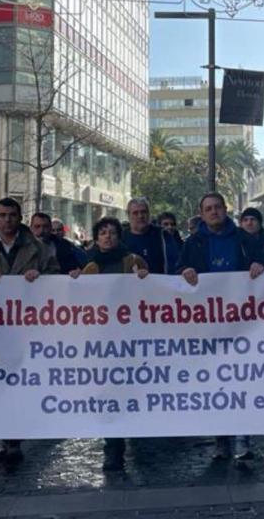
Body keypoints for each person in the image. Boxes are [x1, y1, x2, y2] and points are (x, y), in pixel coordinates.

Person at [0, 197, 58, 467]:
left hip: (29, 330)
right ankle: (9, 438)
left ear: (20, 218)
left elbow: (57, 280)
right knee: (2, 385)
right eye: (2, 215)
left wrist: (39, 278)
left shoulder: (40, 249)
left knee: (24, 383)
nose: (7, 220)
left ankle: (16, 436)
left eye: (12, 215)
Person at [178, 192, 264, 461]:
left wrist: (259, 266)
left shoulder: (245, 239)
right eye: (208, 209)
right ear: (202, 213)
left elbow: (263, 263)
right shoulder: (192, 243)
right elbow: (179, 270)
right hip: (209, 325)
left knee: (242, 379)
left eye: (217, 207)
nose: (214, 212)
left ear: (226, 209)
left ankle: (243, 437)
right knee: (215, 382)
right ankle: (221, 439)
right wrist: (185, 272)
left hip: (242, 322)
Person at [77, 216, 150, 471]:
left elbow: (150, 290)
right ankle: (113, 446)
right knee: (108, 392)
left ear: (120, 237)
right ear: (96, 238)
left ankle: (133, 435)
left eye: (113, 233)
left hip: (130, 338)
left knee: (129, 390)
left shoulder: (131, 261)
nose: (108, 237)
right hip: (101, 341)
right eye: (103, 233)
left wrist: (144, 276)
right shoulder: (87, 265)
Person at [123, 198, 178, 274]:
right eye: (135, 213)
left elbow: (175, 263)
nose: (140, 216)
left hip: (159, 284)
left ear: (149, 214)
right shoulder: (121, 238)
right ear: (128, 215)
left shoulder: (163, 236)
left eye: (143, 212)